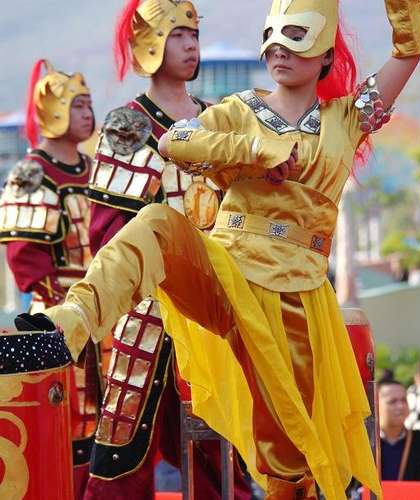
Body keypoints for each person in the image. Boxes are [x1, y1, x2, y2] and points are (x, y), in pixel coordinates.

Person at [42, 0, 420, 497]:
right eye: (270, 37)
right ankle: (70, 323)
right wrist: (254, 151)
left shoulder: (348, 118)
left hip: (295, 298)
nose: (277, 48)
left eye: (295, 36)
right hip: (225, 271)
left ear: (326, 55)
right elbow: (175, 142)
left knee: (289, 457)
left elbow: (410, 49)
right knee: (155, 226)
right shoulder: (239, 110)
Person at [83, 1, 248, 499]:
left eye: (194, 34)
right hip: (145, 310)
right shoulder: (127, 125)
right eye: (178, 35)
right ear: (151, 43)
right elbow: (109, 232)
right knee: (123, 443)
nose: (191, 45)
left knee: (221, 446)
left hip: (212, 306)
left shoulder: (218, 119)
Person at [0, 59, 100, 498]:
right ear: (53, 109)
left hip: (106, 310)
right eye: (77, 105)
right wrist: (65, 307)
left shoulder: (96, 169)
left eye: (89, 104)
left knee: (108, 423)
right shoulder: (33, 173)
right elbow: (25, 258)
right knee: (67, 421)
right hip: (56, 315)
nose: (87, 113)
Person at [378, 380, 420, 481]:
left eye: (404, 400)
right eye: (392, 401)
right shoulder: (365, 443)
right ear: (376, 405)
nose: (400, 406)